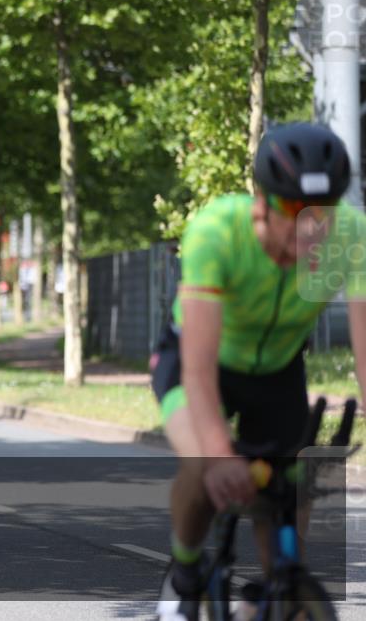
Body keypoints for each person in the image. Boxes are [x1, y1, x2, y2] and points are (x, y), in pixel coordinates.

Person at [153, 123, 366, 621]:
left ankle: (279, 597)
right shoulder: (217, 231)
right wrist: (221, 454)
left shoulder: (350, 235)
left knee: (289, 491)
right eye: (294, 211)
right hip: (198, 363)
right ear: (260, 205)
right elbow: (200, 369)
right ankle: (183, 575)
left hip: (277, 371)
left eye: (323, 212)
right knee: (206, 468)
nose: (312, 228)